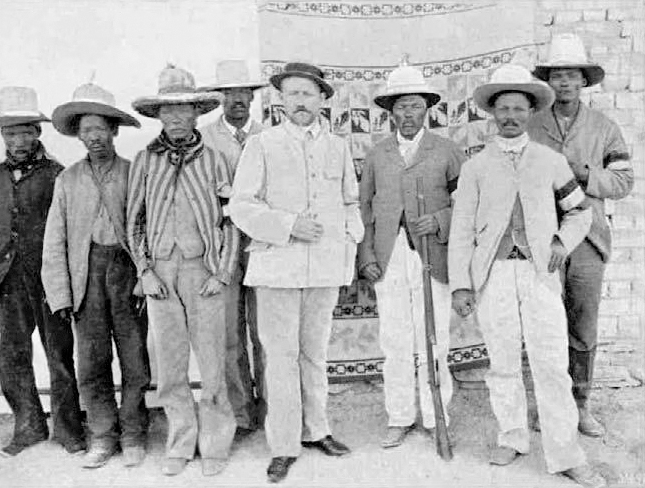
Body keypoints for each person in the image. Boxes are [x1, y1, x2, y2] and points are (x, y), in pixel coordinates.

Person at [449, 63, 605, 488]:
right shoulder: (475, 167)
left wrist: (560, 242)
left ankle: (566, 454)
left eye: (519, 108)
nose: (511, 116)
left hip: (539, 274)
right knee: (501, 361)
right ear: (492, 114)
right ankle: (512, 437)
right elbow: (462, 229)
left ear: (531, 113)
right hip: (494, 275)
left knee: (551, 363)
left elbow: (580, 212)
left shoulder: (550, 161)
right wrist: (462, 284)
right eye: (504, 109)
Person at [228, 61, 364, 483]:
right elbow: (241, 206)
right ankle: (283, 445)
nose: (299, 102)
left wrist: (347, 248)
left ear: (323, 99)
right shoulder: (263, 144)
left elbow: (349, 202)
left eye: (307, 94)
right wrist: (289, 225)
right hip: (277, 269)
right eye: (291, 94)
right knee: (281, 358)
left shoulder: (338, 146)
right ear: (281, 101)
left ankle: (317, 429)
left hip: (324, 268)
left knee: (315, 353)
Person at [128, 65, 239, 477]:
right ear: (159, 116)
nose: (175, 119)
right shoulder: (145, 161)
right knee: (170, 366)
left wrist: (221, 273)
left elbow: (231, 222)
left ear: (197, 114)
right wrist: (146, 271)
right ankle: (180, 441)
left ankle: (215, 444)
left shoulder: (215, 160)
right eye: (168, 112)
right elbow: (134, 220)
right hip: (160, 275)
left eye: (183, 111)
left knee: (212, 363)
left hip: (203, 272)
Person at [528, 33, 634, 437]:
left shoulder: (604, 128)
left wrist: (586, 173)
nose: (565, 83)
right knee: (543, 324)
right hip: (543, 239)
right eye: (557, 76)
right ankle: (545, 404)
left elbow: (624, 181)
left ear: (584, 81)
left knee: (583, 323)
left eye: (572, 76)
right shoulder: (533, 124)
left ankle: (581, 404)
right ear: (549, 81)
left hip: (588, 238)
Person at [0, 86, 84, 457]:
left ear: (38, 132)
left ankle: (68, 428)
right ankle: (28, 424)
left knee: (59, 353)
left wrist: (67, 282)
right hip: (6, 281)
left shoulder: (58, 175)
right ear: (2, 136)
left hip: (48, 280)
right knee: (13, 354)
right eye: (10, 132)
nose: (17, 139)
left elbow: (71, 232)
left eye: (24, 130)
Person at [42, 83, 150, 468]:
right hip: (85, 278)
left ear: (114, 131)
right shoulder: (67, 180)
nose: (94, 137)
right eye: (86, 130)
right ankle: (103, 435)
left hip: (126, 273)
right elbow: (54, 240)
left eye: (100, 128)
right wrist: (62, 295)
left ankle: (135, 432)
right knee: (92, 362)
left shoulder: (134, 172)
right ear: (78, 135)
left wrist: (144, 277)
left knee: (135, 360)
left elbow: (147, 228)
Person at [359, 58, 465, 448]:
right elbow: (364, 207)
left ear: (427, 109)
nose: (408, 114)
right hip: (390, 257)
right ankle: (400, 415)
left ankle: (438, 414)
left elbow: (468, 204)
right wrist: (366, 254)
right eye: (400, 106)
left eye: (415, 106)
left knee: (434, 338)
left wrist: (439, 219)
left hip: (432, 256)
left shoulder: (446, 150)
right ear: (390, 111)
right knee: (395, 338)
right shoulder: (377, 154)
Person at [199, 60, 268, 436]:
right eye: (230, 94)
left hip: (261, 245)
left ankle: (274, 411)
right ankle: (239, 413)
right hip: (220, 244)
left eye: (245, 94)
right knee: (228, 333)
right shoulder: (204, 138)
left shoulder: (268, 136)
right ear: (219, 98)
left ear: (253, 98)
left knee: (267, 333)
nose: (238, 100)